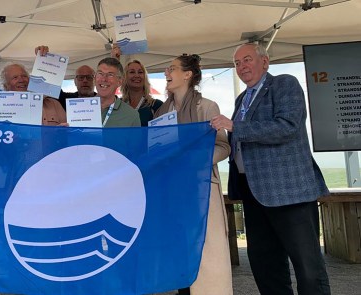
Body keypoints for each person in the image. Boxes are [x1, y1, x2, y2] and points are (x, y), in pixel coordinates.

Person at [210, 43, 330, 295]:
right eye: (237, 63)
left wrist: (234, 127)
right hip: (253, 193)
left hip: (289, 191)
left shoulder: (285, 84)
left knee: (307, 266)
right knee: (265, 265)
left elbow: (286, 126)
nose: (242, 66)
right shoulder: (242, 99)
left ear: (264, 62)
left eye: (247, 60)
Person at [154, 54, 232, 295]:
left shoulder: (207, 107)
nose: (167, 72)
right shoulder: (161, 112)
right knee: (180, 253)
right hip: (172, 192)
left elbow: (223, 147)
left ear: (187, 74)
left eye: (172, 69)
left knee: (207, 256)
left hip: (201, 190)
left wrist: (194, 161)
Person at [111, 44, 163, 126]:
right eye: (132, 72)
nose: (137, 75)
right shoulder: (118, 104)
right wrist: (114, 60)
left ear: (145, 77)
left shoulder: (156, 105)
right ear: (125, 77)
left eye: (140, 72)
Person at [0, 63, 67, 126]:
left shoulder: (54, 104)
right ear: (6, 85)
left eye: (24, 76)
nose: (21, 80)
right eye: (15, 77)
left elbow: (67, 131)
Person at [95, 57, 141, 127]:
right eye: (100, 73)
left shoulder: (131, 115)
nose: (104, 79)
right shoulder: (80, 108)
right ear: (94, 78)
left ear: (119, 81)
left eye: (110, 75)